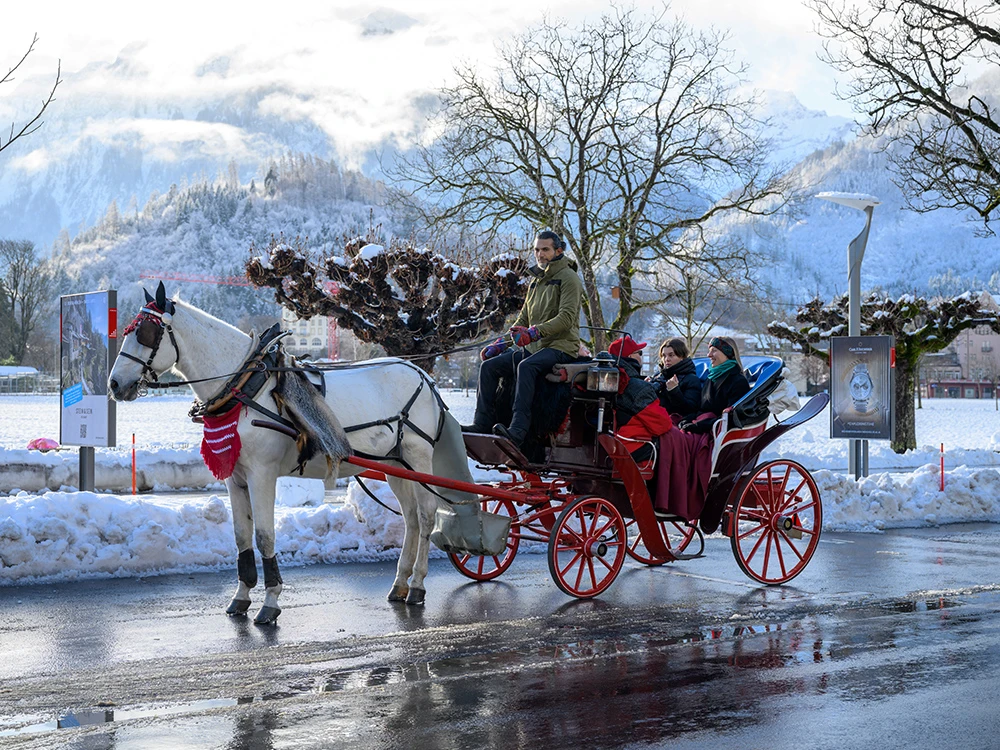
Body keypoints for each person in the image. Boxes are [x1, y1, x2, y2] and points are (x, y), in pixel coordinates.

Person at [464, 230, 584, 447]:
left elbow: (566, 319)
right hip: (535, 347)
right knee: (489, 367)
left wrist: (534, 333)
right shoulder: (535, 282)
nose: (540, 254)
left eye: (545, 249)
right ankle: (482, 423)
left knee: (526, 366)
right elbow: (523, 319)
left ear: (558, 251)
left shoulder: (569, 278)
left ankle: (518, 429)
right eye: (537, 249)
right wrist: (501, 345)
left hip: (561, 347)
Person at [655, 336, 750, 521]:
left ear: (727, 353)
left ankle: (678, 496)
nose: (709, 355)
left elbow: (729, 416)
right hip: (702, 424)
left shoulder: (737, 381)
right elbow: (700, 408)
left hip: (714, 431)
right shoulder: (711, 378)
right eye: (709, 350)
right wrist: (690, 420)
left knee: (677, 439)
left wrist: (697, 425)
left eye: (714, 350)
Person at [607, 336, 673, 453]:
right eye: (639, 353)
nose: (641, 356)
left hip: (616, 445)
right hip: (636, 449)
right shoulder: (638, 388)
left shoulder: (613, 382)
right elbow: (662, 424)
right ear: (630, 356)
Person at [650, 337, 701, 418]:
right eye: (664, 356)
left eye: (671, 355)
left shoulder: (691, 379)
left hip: (674, 423)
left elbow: (690, 410)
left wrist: (674, 391)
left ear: (682, 356)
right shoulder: (658, 375)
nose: (666, 359)